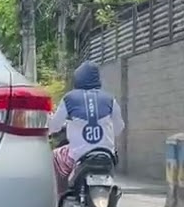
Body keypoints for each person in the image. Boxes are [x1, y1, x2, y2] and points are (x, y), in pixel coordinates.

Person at [47, 61, 125, 196]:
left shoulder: (69, 98)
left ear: (77, 78)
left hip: (79, 156)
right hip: (106, 154)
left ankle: (60, 197)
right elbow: (119, 128)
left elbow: (54, 127)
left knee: (54, 156)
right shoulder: (110, 99)